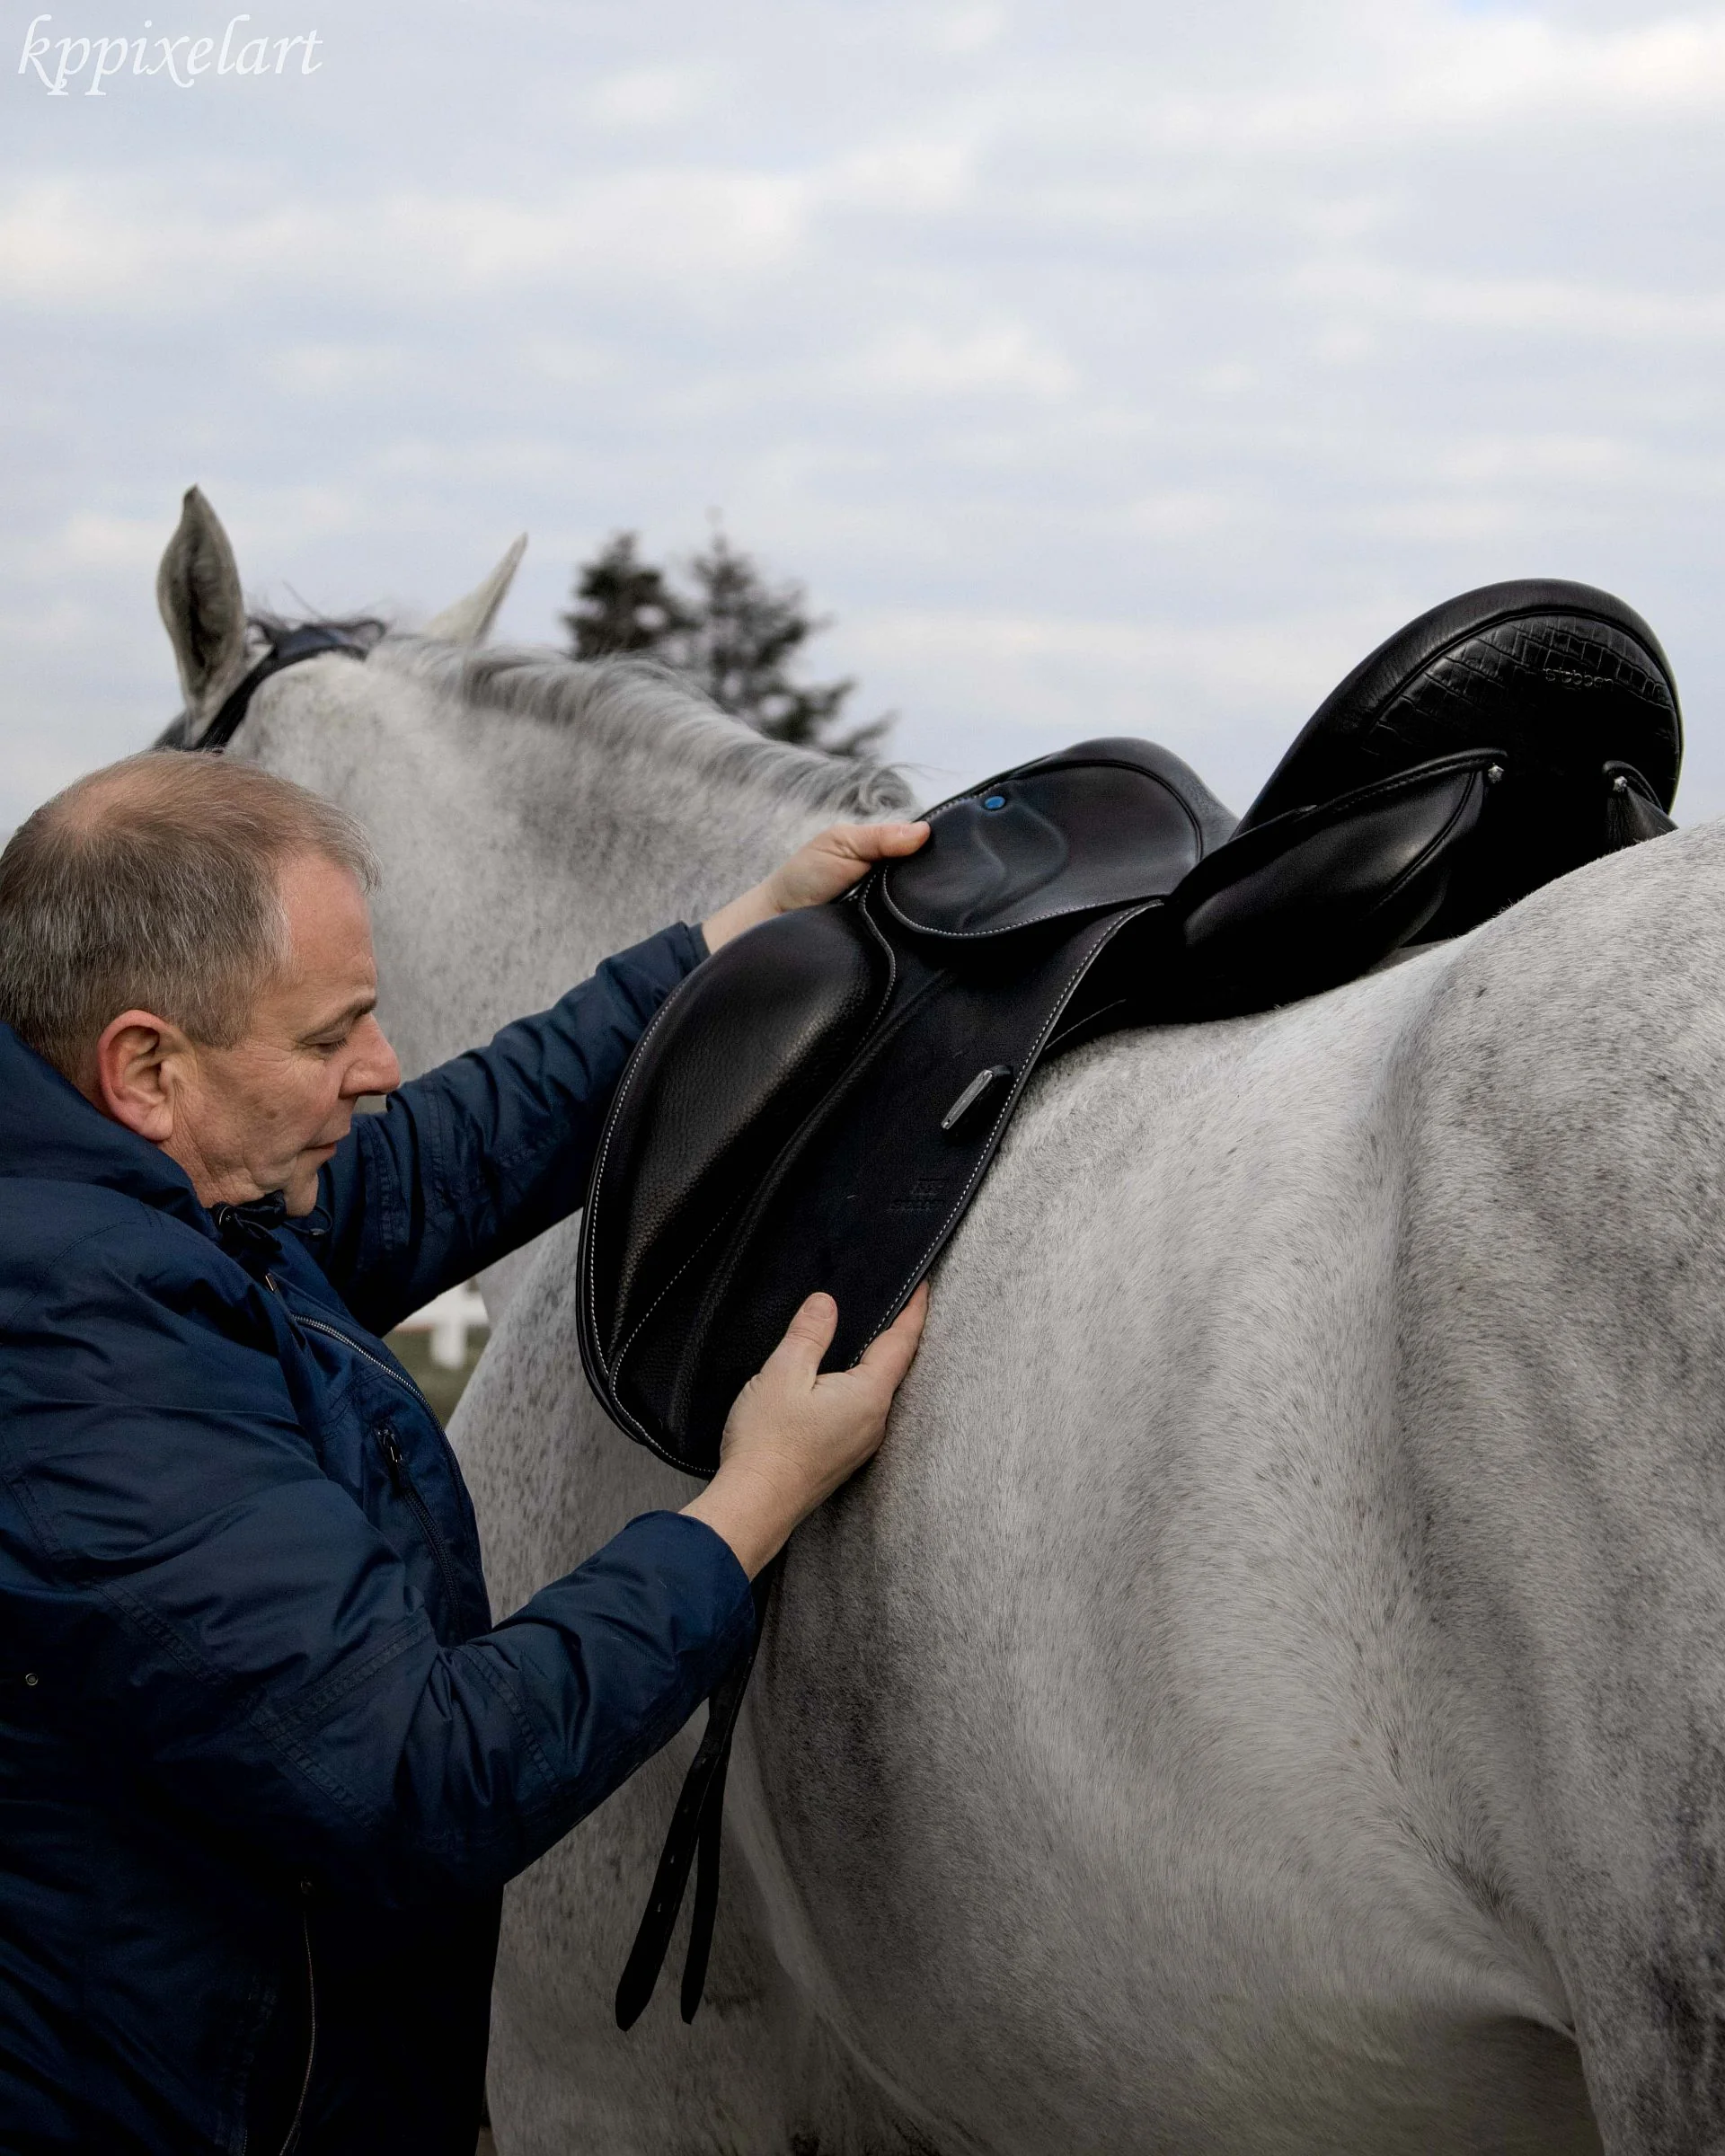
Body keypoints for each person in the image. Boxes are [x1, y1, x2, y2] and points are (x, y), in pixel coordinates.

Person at [0, 751, 931, 2156]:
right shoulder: (69, 1346)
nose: (378, 1072)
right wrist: (745, 1505)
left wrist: (735, 942)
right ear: (147, 1067)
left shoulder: (138, 1195)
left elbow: (450, 1150)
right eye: (330, 1040)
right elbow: (416, 1771)